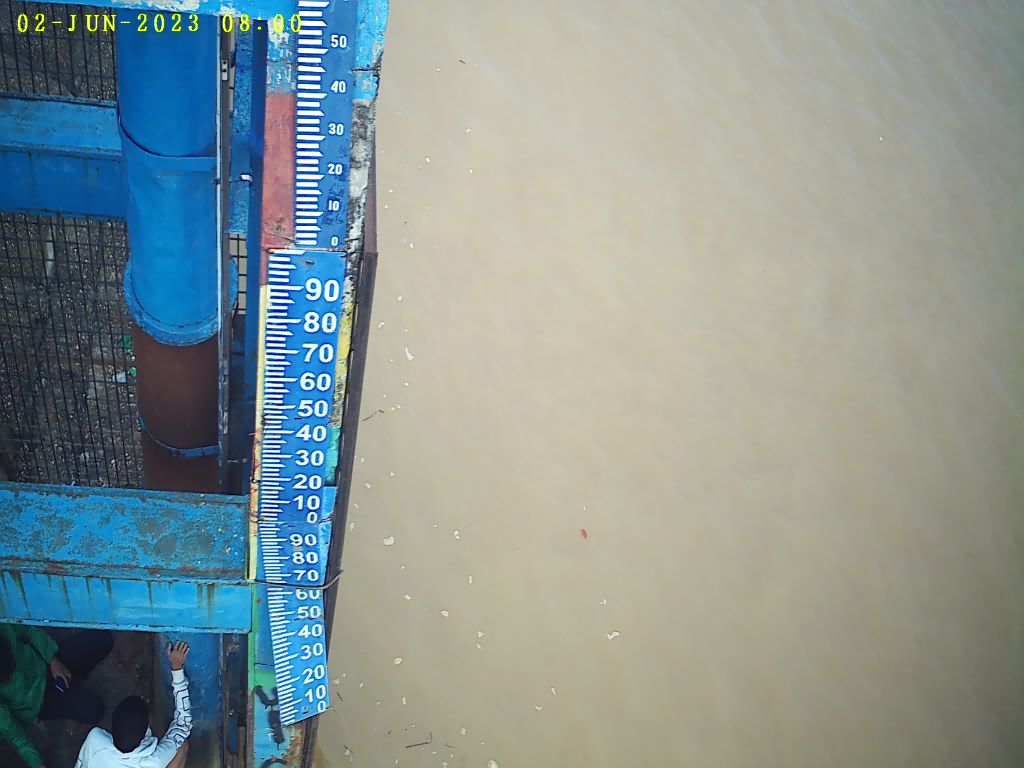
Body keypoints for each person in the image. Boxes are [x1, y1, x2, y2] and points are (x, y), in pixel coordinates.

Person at [0, 622, 113, 768]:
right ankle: (72, 691)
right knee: (94, 710)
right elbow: (16, 737)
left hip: (44, 663)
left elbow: (28, 631)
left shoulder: (3, 628)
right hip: (40, 703)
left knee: (103, 638)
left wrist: (52, 659)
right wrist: (39, 765)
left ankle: (75, 680)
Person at [74, 641, 191, 768]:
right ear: (149, 722)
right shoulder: (155, 761)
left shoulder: (95, 739)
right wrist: (177, 668)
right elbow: (182, 725)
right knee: (181, 747)